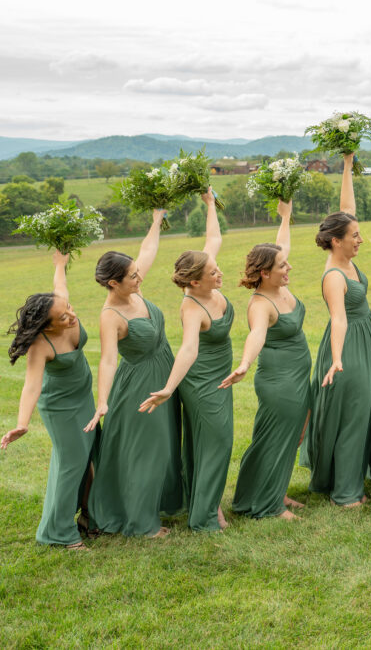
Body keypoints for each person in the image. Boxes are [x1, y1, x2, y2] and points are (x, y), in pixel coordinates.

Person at [85, 209, 183, 538]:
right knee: (148, 453)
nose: (139, 277)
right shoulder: (110, 314)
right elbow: (108, 360)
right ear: (113, 283)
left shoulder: (134, 290)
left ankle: (152, 505)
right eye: (132, 276)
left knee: (165, 448)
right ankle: (142, 524)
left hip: (163, 374)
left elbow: (147, 251)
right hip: (139, 387)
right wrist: (102, 402)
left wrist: (156, 221)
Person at [139, 189, 233, 532]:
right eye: (213, 273)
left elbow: (214, 237)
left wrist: (209, 204)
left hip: (221, 378)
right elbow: (189, 350)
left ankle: (207, 502)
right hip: (202, 384)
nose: (219, 273)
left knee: (208, 445)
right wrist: (168, 388)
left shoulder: (204, 275)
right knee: (217, 444)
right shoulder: (192, 306)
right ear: (194, 281)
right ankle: (207, 515)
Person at [220, 199, 311, 521]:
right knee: (275, 437)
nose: (289, 268)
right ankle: (267, 505)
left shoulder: (279, 283)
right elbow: (256, 334)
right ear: (265, 273)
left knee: (294, 435)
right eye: (283, 266)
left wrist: (286, 216)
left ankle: (278, 491)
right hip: (279, 381)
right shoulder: (260, 303)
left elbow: (281, 246)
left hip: (299, 376)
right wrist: (244, 363)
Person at [1, 251, 97, 550]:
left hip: (85, 400)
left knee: (90, 462)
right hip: (61, 409)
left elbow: (62, 290)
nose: (71, 315)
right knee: (71, 465)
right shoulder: (40, 345)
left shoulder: (65, 312)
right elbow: (32, 386)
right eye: (63, 317)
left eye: (68, 309)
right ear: (46, 325)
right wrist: (22, 423)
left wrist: (59, 264)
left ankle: (89, 518)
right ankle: (57, 532)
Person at [299, 153, 371, 507]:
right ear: (336, 241)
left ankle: (348, 478)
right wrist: (336, 360)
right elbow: (339, 319)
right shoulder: (333, 275)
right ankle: (345, 492)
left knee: (361, 412)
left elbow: (347, 210)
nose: (361, 239)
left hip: (363, 342)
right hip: (346, 349)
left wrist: (346, 166)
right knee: (353, 417)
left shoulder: (347, 259)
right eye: (355, 236)